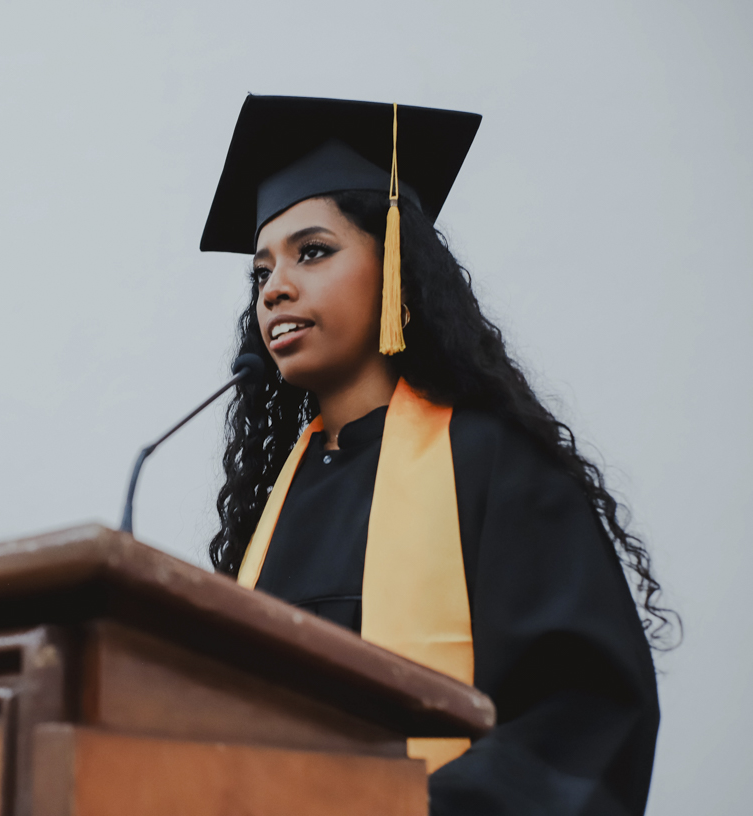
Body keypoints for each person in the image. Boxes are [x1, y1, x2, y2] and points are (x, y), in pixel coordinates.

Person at [201, 95, 671, 815]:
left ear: (396, 266)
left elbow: (582, 712)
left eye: (313, 251)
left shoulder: (491, 464)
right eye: (260, 272)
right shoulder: (274, 505)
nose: (275, 290)